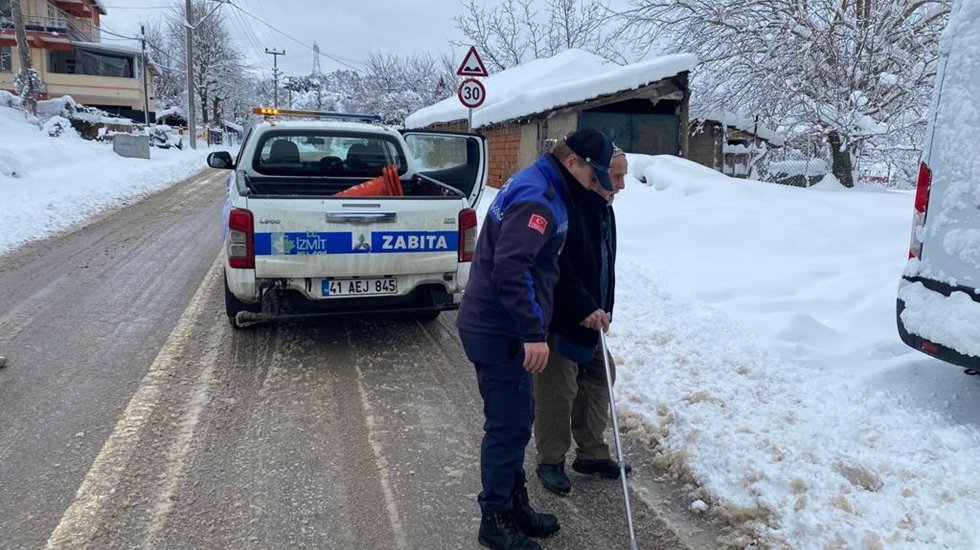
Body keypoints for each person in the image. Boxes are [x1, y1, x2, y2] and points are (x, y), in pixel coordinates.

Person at [456, 129, 616, 550]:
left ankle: (514, 502)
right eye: (591, 174)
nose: (594, 183)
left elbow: (547, 266)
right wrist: (531, 332)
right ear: (573, 162)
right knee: (507, 428)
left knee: (518, 420)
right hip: (499, 329)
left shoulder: (543, 182)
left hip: (500, 325)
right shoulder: (538, 199)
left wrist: (581, 305)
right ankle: (495, 518)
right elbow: (512, 269)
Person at [534, 146, 629, 496]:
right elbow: (559, 268)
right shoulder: (570, 208)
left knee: (601, 374)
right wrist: (584, 306)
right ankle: (551, 460)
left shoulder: (603, 209)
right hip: (563, 317)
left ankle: (591, 452)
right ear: (598, 174)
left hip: (592, 318)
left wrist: (604, 307)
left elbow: (603, 265)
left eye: (624, 175)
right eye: (616, 176)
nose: (621, 185)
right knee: (558, 389)